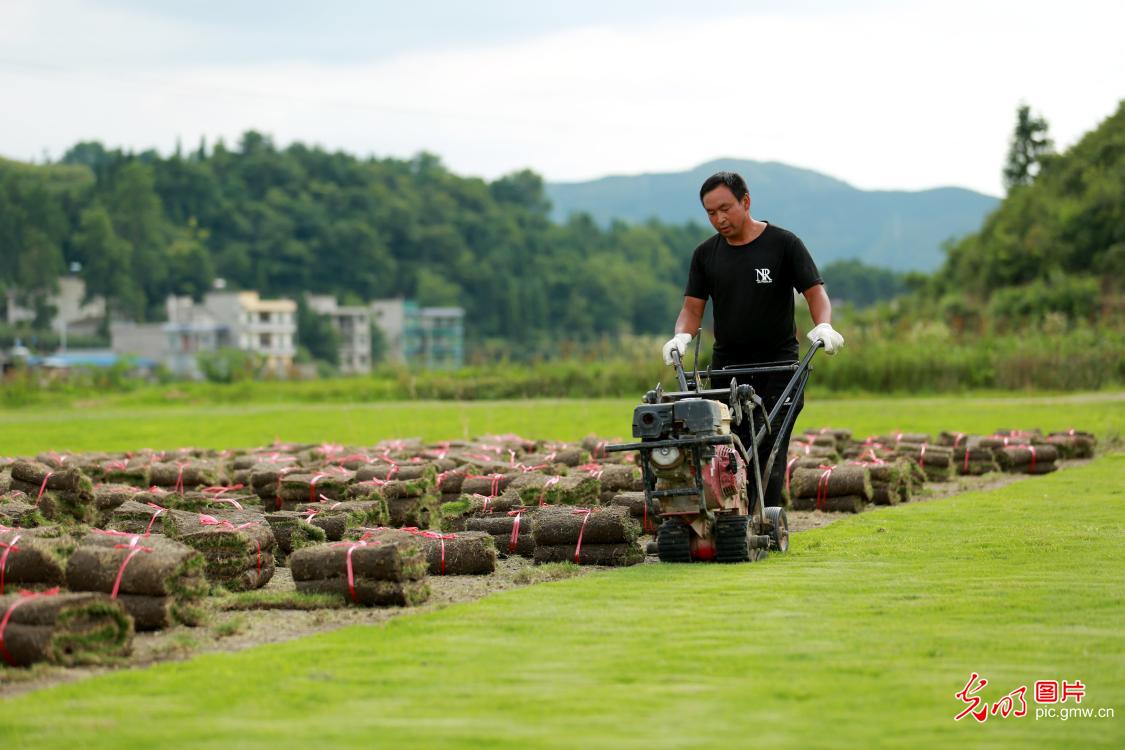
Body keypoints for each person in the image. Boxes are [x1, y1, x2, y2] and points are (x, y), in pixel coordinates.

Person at [661, 171, 844, 507]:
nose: (719, 219)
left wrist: (824, 326)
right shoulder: (706, 255)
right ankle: (731, 517)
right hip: (726, 370)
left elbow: (815, 293)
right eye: (710, 213)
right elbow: (691, 308)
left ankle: (764, 522)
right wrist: (681, 336)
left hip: (780, 369)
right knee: (727, 447)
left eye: (725, 208)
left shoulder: (784, 244)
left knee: (768, 447)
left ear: (745, 202)